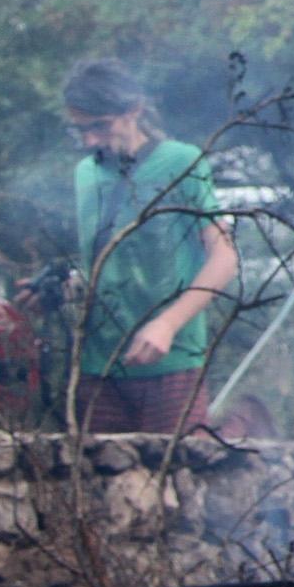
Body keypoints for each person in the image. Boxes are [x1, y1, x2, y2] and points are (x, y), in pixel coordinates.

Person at [61, 58, 238, 434]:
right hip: (100, 368)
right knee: (102, 484)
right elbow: (104, 260)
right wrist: (77, 285)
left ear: (134, 111)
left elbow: (223, 258)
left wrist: (167, 324)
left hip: (171, 366)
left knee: (173, 483)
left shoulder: (181, 162)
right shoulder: (85, 174)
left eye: (100, 126)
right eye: (81, 130)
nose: (91, 140)